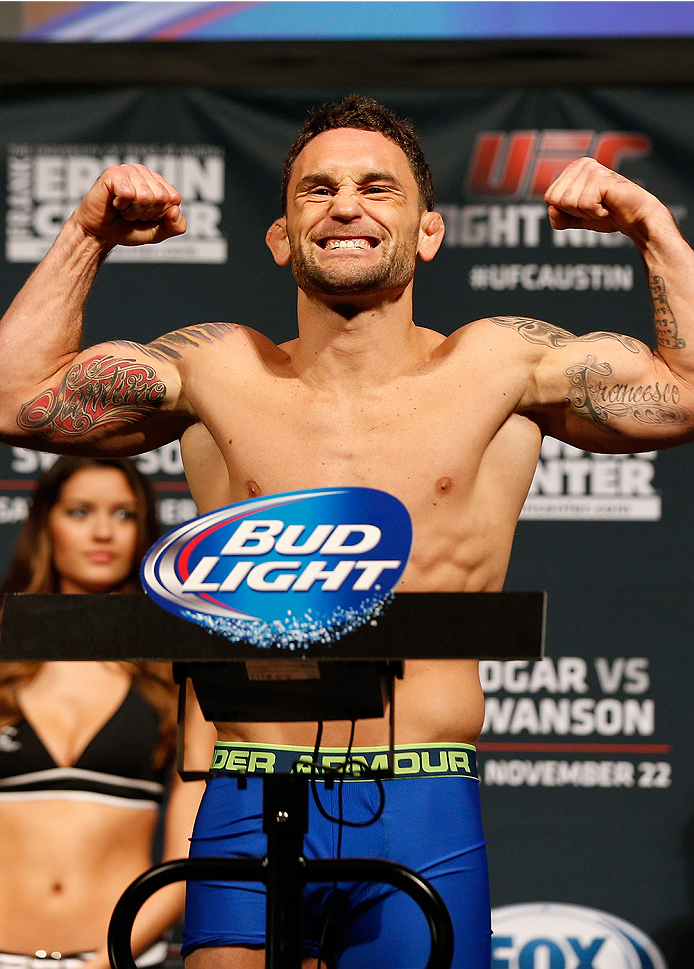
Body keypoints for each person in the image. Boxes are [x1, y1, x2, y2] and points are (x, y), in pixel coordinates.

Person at [0, 93, 693, 968]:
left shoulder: (501, 367)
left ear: (429, 231)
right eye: (318, 190)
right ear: (283, 236)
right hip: (250, 787)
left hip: (423, 795)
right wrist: (86, 234)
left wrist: (650, 222)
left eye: (378, 187)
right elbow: (13, 397)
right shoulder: (216, 370)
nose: (347, 206)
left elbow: (686, 393)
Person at [0, 456, 214, 969]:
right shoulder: (2, 656)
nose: (102, 532)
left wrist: (104, 962)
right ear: (46, 524)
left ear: (145, 531)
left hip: (122, 959)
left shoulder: (175, 672)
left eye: (123, 514)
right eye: (80, 512)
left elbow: (192, 852)